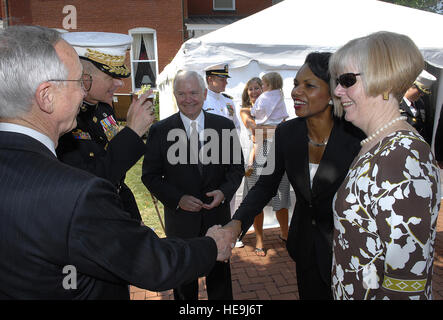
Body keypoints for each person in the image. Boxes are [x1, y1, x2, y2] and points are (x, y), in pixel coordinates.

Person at [0, 25, 233, 299]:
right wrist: (212, 246)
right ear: (46, 95)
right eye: (78, 82)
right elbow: (151, 264)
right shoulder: (76, 193)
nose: (83, 91)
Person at [224, 52, 363, 299]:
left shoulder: (358, 136)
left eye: (309, 85)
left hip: (350, 251)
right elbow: (264, 185)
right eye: (296, 84)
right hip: (305, 247)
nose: (296, 91)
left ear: (333, 93)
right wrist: (236, 223)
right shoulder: (287, 133)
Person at [330, 31, 441, 300]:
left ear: (385, 80)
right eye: (337, 81)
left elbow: (406, 282)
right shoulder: (379, 144)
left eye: (347, 80)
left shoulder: (400, 155)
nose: (336, 91)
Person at [141, 70, 244, 300]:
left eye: (194, 93)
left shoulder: (224, 126)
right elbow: (150, 176)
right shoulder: (161, 130)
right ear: (175, 96)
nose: (188, 99)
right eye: (182, 93)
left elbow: (236, 169)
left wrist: (224, 192)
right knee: (184, 285)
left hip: (216, 218)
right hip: (181, 223)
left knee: (220, 281)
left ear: (205, 93)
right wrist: (177, 199)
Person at [56, 31, 150, 222]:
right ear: (84, 78)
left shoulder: (104, 109)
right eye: (111, 77)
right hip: (91, 215)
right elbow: (90, 180)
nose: (120, 83)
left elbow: (115, 172)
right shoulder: (64, 121)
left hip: (116, 204)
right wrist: (132, 133)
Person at [239, 76, 291, 256]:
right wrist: (277, 129)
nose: (254, 91)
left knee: (281, 198)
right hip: (257, 158)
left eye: (257, 88)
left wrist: (273, 130)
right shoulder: (246, 110)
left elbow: (282, 131)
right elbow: (255, 130)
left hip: (279, 156)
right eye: (250, 88)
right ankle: (259, 239)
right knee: (256, 201)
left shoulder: (276, 107)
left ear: (264, 90)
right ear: (247, 92)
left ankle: (285, 233)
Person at [399, 69, 437, 144]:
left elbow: (425, 127)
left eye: (423, 93)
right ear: (410, 85)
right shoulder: (395, 103)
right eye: (420, 91)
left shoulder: (421, 103)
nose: (421, 95)